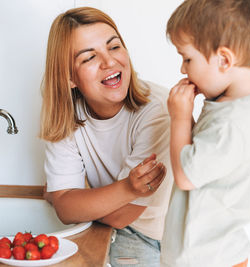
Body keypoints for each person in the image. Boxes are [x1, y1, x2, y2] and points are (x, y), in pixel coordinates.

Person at [40, 7, 173, 267]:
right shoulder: (66, 116)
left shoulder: (159, 113)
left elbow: (122, 215)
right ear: (69, 77)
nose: (109, 62)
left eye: (114, 47)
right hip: (104, 233)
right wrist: (66, 203)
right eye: (89, 57)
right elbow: (66, 209)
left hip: (152, 240)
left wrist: (70, 200)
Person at [160, 0, 250, 266]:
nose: (183, 69)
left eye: (187, 58)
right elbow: (202, 154)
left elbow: (187, 176)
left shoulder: (232, 122)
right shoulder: (232, 108)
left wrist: (180, 117)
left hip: (210, 259)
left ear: (224, 60)